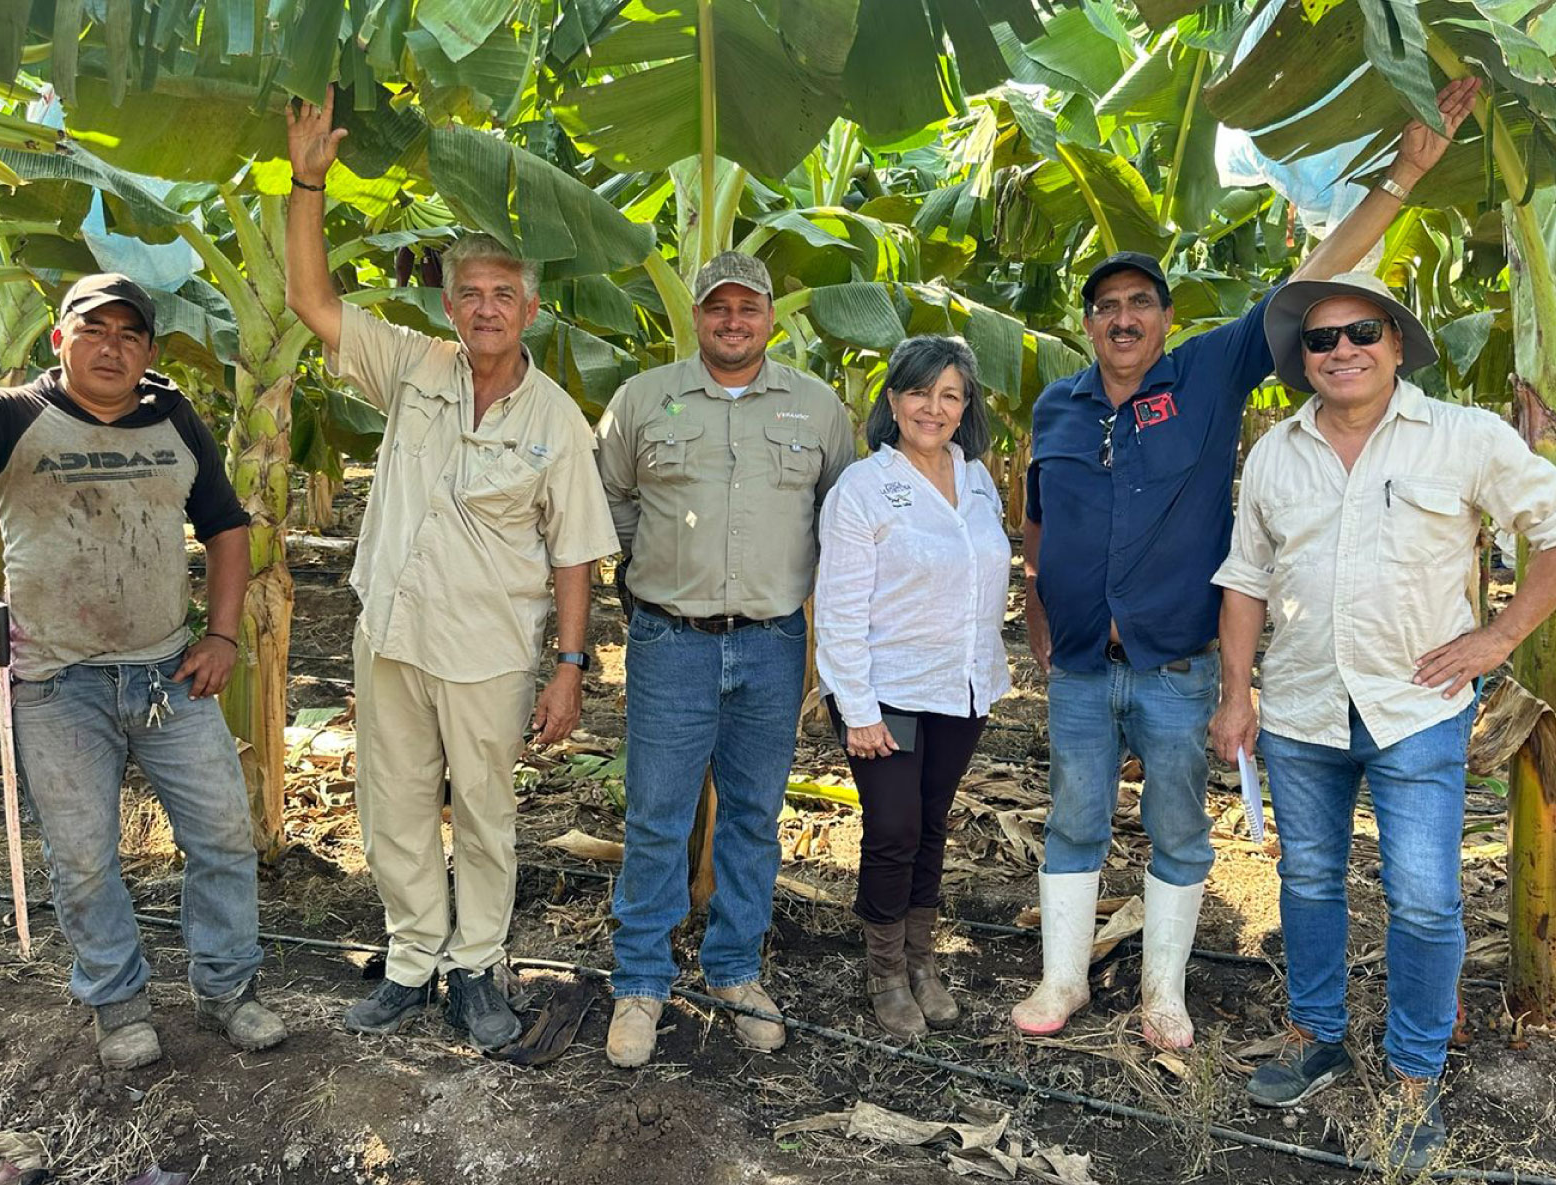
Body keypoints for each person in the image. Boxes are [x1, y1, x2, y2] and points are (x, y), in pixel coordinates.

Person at [1011, 78, 1481, 1050]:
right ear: (1089, 324)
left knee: (1179, 829)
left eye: (1140, 303)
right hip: (1078, 670)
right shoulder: (1057, 406)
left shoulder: (1207, 375)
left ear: (1164, 318)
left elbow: (1310, 277)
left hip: (1176, 664)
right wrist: (1043, 631)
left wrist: (1399, 179)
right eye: (1106, 307)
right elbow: (1039, 529)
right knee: (1072, 823)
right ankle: (1060, 983)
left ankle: (1163, 996)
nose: (1124, 319)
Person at [1209, 271, 1556, 1170]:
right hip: (1303, 703)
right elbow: (1245, 577)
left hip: (1415, 707)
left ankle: (1415, 1073)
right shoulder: (1276, 451)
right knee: (1307, 880)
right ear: (1302, 359)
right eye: (1320, 339)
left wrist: (1500, 636)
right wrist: (1238, 692)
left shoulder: (1461, 436)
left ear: (1395, 342)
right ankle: (1317, 1035)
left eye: (1361, 332)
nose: (1341, 349)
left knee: (1424, 898)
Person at [0, 266, 287, 1069]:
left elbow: (227, 527)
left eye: (130, 333)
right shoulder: (14, 415)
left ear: (147, 350)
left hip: (170, 674)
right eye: (93, 330)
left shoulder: (174, 417)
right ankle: (118, 1000)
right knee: (85, 858)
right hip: (56, 684)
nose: (111, 346)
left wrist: (225, 636)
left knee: (222, 838)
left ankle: (228, 988)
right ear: (61, 339)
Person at [284, 89, 619, 1049]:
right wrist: (309, 180)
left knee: (484, 814)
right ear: (449, 302)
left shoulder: (554, 416)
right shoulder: (412, 368)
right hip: (390, 631)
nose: (484, 309)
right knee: (390, 805)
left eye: (502, 295)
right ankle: (409, 958)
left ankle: (477, 966)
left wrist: (568, 665)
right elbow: (313, 301)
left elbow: (573, 553)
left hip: (488, 650)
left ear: (530, 308)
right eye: (470, 292)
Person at [594, 251, 855, 1068]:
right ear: (699, 317)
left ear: (771, 316)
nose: (732, 321)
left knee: (752, 815)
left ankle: (736, 968)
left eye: (748, 308)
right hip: (671, 639)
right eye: (718, 308)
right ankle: (641, 978)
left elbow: (840, 515)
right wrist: (657, 578)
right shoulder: (643, 399)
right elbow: (612, 502)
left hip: (775, 644)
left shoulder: (817, 408)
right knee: (657, 816)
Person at [814, 335, 1010, 1039]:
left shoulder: (978, 477)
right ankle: (886, 970)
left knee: (931, 824)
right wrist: (857, 708)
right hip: (885, 687)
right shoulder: (864, 487)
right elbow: (837, 606)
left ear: (966, 406)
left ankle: (924, 960)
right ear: (893, 400)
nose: (935, 407)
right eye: (920, 392)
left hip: (960, 685)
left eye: (951, 394)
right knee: (893, 827)